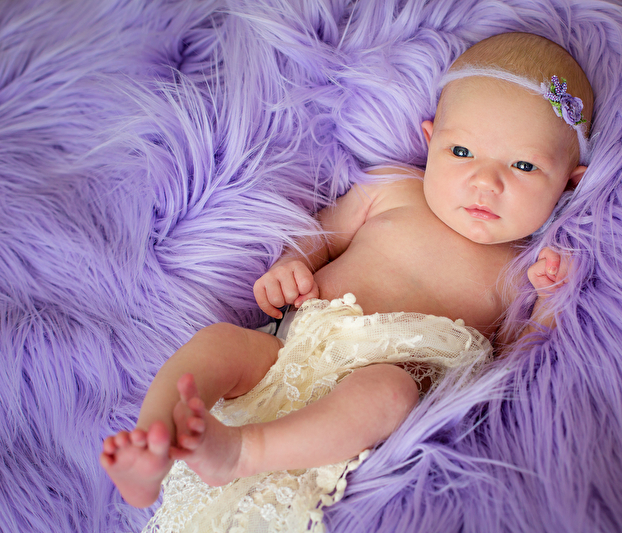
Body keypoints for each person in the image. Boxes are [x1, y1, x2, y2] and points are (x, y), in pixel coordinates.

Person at [100, 32, 592, 532]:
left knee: (389, 390)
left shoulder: (521, 270)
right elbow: (321, 235)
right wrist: (291, 266)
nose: (485, 181)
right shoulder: (393, 188)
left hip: (383, 383)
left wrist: (550, 300)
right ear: (430, 140)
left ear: (568, 183)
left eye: (523, 165)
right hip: (289, 351)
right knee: (219, 342)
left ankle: (244, 452)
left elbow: (516, 362)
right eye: (462, 151)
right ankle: (153, 443)